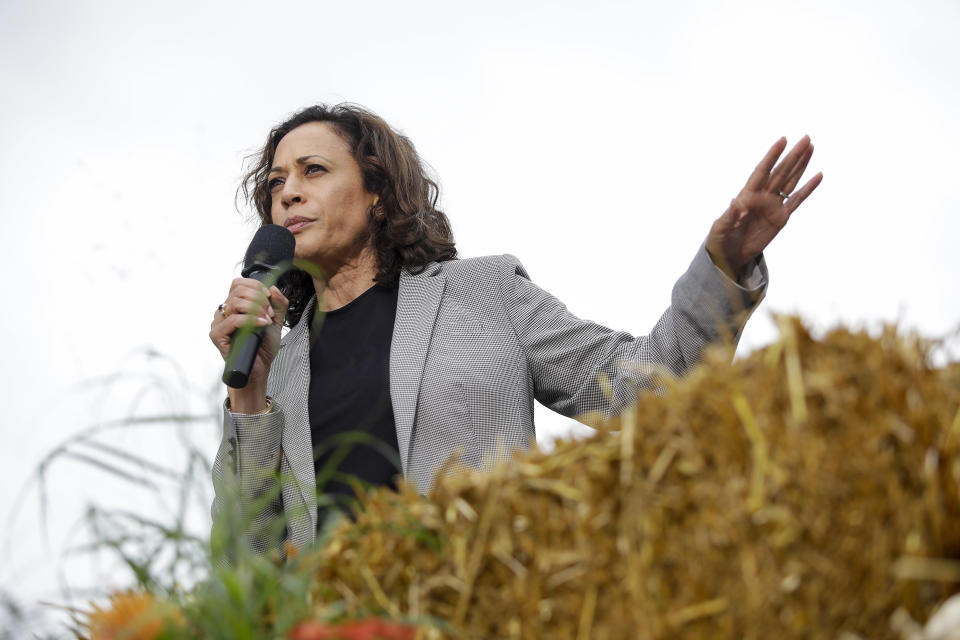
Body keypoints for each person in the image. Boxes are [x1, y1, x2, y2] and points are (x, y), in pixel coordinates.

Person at [209, 103, 822, 557]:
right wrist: (248, 397)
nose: (287, 193)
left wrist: (722, 269)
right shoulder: (278, 371)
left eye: (312, 170)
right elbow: (245, 564)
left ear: (376, 192)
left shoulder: (483, 293)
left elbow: (645, 394)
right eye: (275, 183)